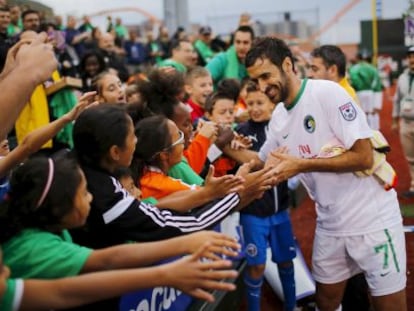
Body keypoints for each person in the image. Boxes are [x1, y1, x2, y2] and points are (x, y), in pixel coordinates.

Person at [243, 37, 406, 311]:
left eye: (266, 76)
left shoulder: (327, 93)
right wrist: (223, 151)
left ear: (287, 65)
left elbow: (363, 156)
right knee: (326, 301)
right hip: (330, 225)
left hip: (373, 221)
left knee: (389, 305)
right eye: (256, 80)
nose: (262, 86)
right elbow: (261, 161)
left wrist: (302, 164)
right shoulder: (280, 116)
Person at [0, 157, 241, 310]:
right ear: (57, 206)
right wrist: (169, 269)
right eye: (84, 194)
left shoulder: (44, 229)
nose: (91, 198)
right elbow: (103, 262)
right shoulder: (34, 248)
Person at [72, 104, 272, 249]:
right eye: (132, 137)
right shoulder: (107, 196)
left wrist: (208, 193)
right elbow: (192, 223)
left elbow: (155, 207)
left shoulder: (76, 164)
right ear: (115, 152)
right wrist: (238, 194)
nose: (136, 142)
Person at [308, 44, 372, 311]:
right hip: (346, 199)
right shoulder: (340, 93)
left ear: (332, 70)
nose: (309, 75)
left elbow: (357, 155)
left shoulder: (343, 96)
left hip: (348, 201)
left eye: (314, 69)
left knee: (352, 263)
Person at [0, 244, 237, 311]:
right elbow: (105, 260)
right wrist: (166, 273)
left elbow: (63, 292)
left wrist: (166, 273)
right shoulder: (34, 248)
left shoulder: (7, 292)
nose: (8, 271)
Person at [235, 80, 297, 311]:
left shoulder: (281, 129)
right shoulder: (241, 134)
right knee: (257, 266)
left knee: (285, 263)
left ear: (273, 105)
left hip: (281, 213)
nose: (254, 108)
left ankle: (291, 307)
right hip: (253, 215)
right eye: (249, 103)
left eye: (260, 102)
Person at [393, 46, 414, 199]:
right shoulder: (402, 77)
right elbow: (397, 99)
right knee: (410, 157)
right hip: (406, 122)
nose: (412, 60)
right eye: (410, 57)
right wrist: (394, 120)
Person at [349, 51, 383, 130]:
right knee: (370, 112)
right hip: (370, 92)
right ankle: (374, 131)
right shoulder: (373, 68)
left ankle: (364, 130)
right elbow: (376, 81)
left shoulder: (354, 68)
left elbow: (353, 81)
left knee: (361, 112)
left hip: (358, 92)